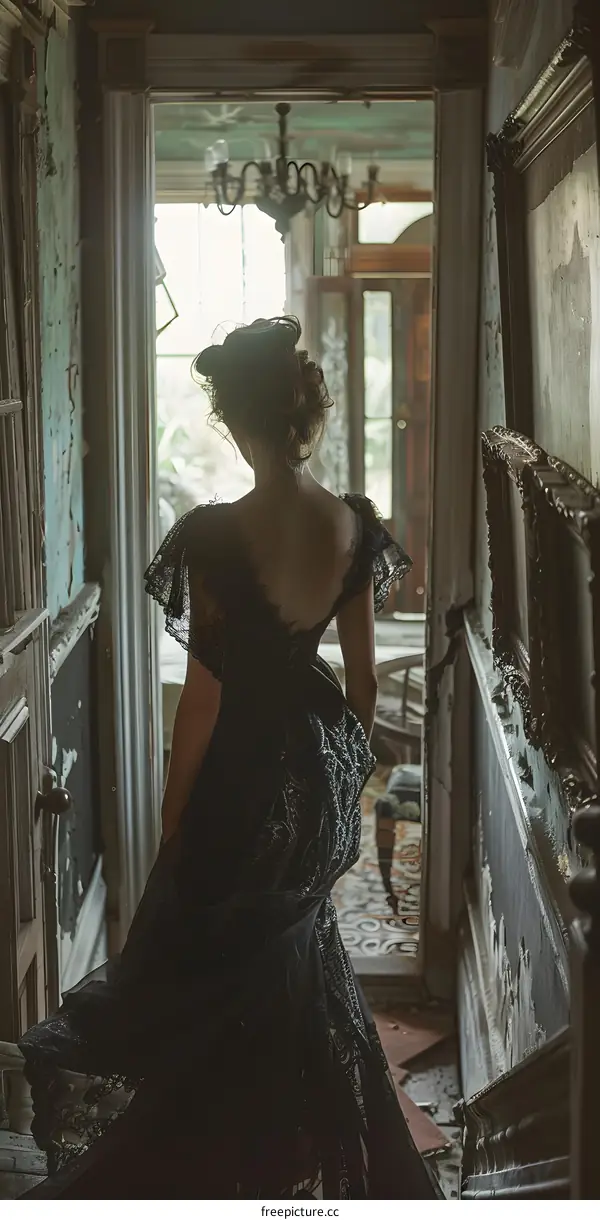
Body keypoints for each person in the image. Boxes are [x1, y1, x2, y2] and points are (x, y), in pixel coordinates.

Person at [19, 316, 439, 1200]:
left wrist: (177, 815)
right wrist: (337, 777)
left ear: (239, 423)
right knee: (291, 960)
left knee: (208, 967)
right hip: (314, 771)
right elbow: (361, 686)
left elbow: (204, 699)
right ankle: (279, 1163)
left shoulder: (211, 534)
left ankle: (215, 1166)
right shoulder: (355, 527)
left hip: (241, 774)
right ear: (305, 416)